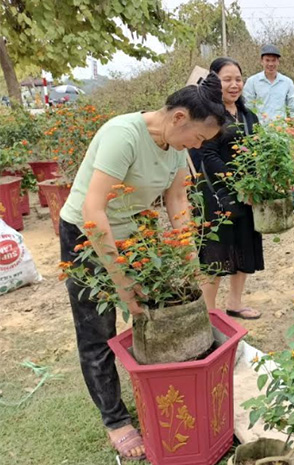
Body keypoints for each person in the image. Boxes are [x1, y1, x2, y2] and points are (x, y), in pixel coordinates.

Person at [58, 74, 226, 461]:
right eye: (198, 138)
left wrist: (186, 261)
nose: (197, 147)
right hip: (87, 235)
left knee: (152, 312)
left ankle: (156, 386)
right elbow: (93, 211)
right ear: (179, 117)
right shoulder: (124, 135)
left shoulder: (175, 145)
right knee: (97, 330)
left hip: (135, 231)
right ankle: (115, 419)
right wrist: (122, 283)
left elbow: (178, 200)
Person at [190, 57, 264, 320]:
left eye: (238, 79)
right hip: (215, 193)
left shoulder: (248, 116)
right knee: (215, 251)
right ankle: (208, 312)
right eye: (227, 79)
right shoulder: (208, 116)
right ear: (214, 82)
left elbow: (258, 153)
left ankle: (235, 302)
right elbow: (208, 157)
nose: (234, 85)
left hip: (246, 195)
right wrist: (235, 182)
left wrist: (259, 182)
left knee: (244, 245)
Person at [243, 45, 294, 217]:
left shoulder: (286, 82)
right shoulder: (252, 82)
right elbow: (247, 109)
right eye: (267, 60)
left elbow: (293, 107)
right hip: (260, 134)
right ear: (262, 61)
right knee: (261, 169)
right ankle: (265, 206)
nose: (270, 64)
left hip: (281, 134)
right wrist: (251, 132)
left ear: (278, 62)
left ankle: (293, 205)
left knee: (286, 168)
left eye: (274, 60)